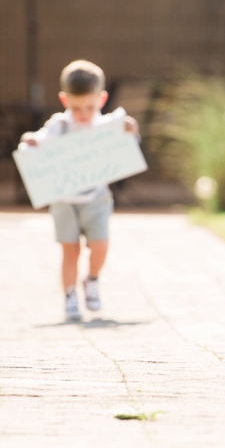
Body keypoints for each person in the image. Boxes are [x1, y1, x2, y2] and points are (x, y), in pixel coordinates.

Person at [19, 60, 139, 321]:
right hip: (64, 200)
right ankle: (70, 296)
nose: (83, 114)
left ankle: (92, 280)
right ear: (64, 100)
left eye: (89, 106)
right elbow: (38, 141)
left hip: (96, 197)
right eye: (76, 107)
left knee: (100, 245)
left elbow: (129, 144)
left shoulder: (106, 126)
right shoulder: (59, 125)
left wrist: (131, 131)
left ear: (102, 99)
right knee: (69, 250)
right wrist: (31, 141)